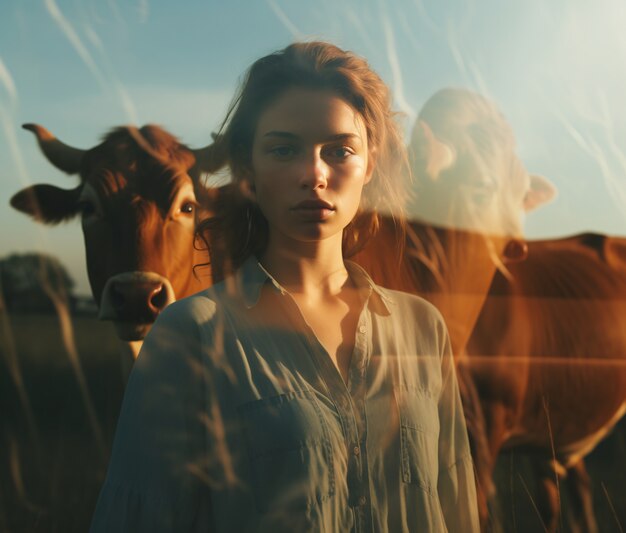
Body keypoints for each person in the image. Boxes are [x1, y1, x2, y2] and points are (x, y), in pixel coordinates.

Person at [90, 41, 479, 533]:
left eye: (339, 150)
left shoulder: (423, 327)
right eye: (283, 149)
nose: (313, 174)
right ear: (248, 171)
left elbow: (458, 506)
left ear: (370, 164)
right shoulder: (191, 335)